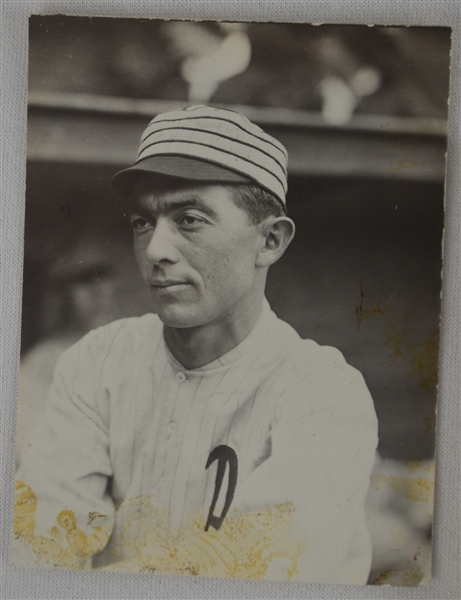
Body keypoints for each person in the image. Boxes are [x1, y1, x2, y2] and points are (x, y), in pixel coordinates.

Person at [13, 105, 378, 583]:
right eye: (143, 222)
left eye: (189, 219)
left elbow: (260, 580)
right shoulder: (96, 363)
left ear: (269, 242)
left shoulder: (323, 394)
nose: (156, 251)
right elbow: (39, 554)